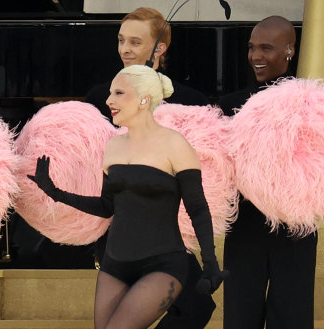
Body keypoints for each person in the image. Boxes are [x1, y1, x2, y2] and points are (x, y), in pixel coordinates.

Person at [29, 64, 224, 329]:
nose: (109, 100)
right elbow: (107, 206)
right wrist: (55, 193)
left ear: (144, 100)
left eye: (119, 93)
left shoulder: (175, 144)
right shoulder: (114, 146)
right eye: (111, 93)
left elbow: (197, 208)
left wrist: (210, 263)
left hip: (163, 263)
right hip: (115, 264)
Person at [85, 8, 217, 329]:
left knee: (197, 305)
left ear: (159, 48)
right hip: (121, 236)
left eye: (134, 41)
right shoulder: (102, 98)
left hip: (170, 236)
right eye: (120, 40)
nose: (124, 49)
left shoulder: (192, 102)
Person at [218, 16, 317, 329]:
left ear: (289, 49)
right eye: (251, 48)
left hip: (296, 227)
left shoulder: (311, 103)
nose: (255, 56)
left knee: (292, 314)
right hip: (244, 226)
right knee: (239, 315)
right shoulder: (231, 105)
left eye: (266, 48)